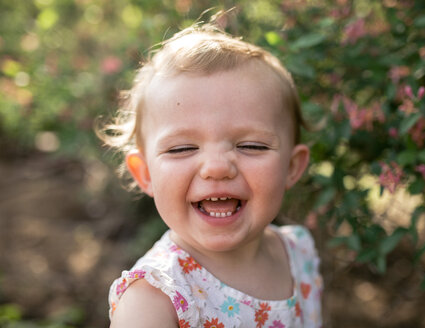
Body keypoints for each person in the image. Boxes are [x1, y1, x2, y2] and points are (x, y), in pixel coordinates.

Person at [100, 19, 323, 328]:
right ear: (146, 173)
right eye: (181, 149)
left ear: (291, 167)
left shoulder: (298, 253)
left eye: (251, 145)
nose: (217, 167)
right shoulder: (153, 301)